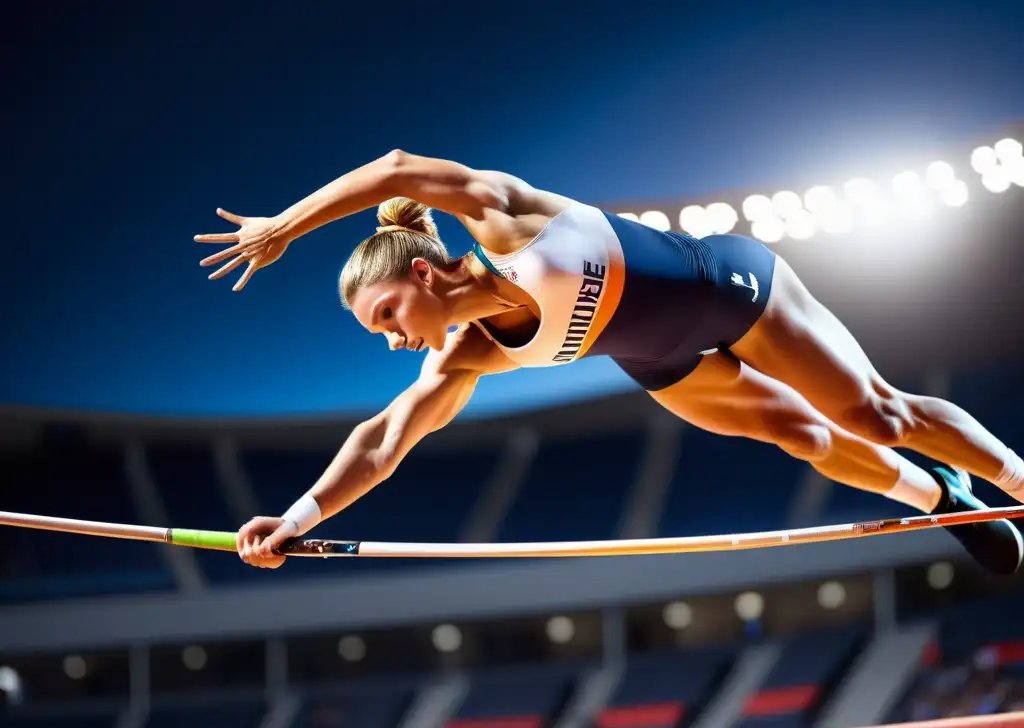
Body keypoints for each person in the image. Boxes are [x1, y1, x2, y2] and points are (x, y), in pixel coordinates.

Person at [193, 150, 1024, 573]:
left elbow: (398, 168)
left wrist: (284, 229)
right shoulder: (468, 352)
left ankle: (1016, 482)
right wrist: (294, 522)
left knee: (870, 415)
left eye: (385, 316)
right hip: (659, 358)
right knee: (804, 437)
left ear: (421, 272)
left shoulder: (505, 222)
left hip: (733, 288)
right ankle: (942, 496)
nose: (390, 337)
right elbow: (382, 441)